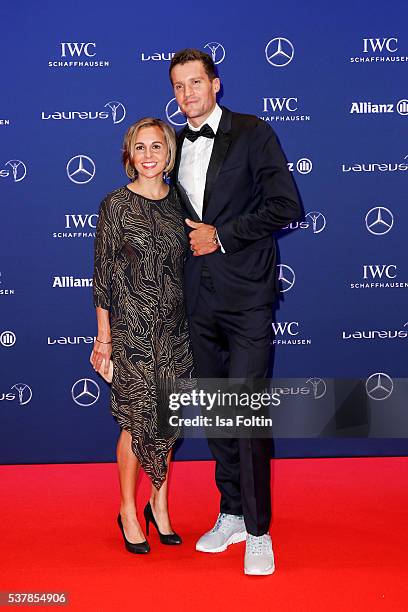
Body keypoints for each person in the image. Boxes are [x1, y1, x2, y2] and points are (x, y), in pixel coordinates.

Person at [169, 49, 301, 575]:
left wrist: (221, 236)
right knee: (219, 415)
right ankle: (230, 511)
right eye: (178, 86)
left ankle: (260, 531)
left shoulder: (253, 132)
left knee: (245, 416)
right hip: (196, 302)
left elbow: (287, 206)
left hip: (247, 298)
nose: (187, 94)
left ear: (216, 84)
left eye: (196, 83)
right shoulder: (174, 145)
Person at [91, 117, 193, 554]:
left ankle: (160, 503)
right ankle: (128, 510)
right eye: (140, 147)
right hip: (132, 332)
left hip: (175, 331)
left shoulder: (180, 203)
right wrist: (103, 339)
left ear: (169, 153)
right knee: (136, 423)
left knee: (168, 423)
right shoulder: (115, 205)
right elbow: (103, 276)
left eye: (156, 146)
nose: (148, 155)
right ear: (128, 155)